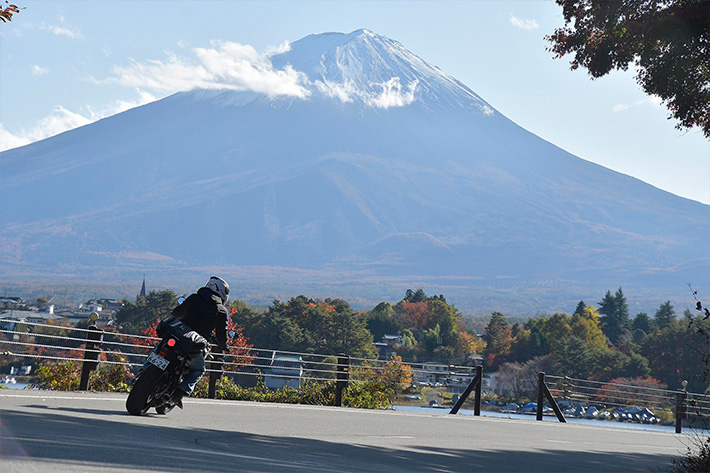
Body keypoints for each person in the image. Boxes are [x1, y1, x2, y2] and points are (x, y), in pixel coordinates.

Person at [169, 276, 230, 408]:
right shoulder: (221, 310)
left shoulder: (194, 298)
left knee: (159, 349)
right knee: (198, 369)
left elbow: (177, 313)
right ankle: (179, 393)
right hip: (194, 342)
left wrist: (174, 312)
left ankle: (142, 372)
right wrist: (224, 346)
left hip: (177, 333)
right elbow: (221, 335)